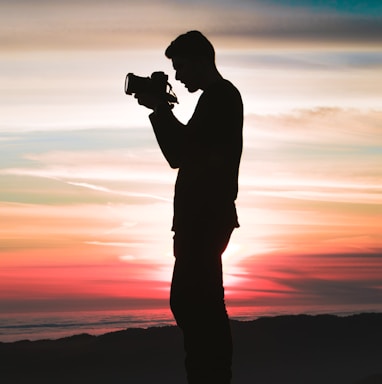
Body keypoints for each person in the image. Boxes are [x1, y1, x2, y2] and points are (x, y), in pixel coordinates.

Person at [133, 30, 243, 384]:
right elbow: (184, 152)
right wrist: (159, 111)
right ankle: (208, 374)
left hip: (204, 219)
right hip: (202, 218)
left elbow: (180, 154)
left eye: (181, 68)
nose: (178, 77)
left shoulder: (220, 97)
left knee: (197, 304)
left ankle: (210, 376)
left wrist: (160, 110)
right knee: (195, 302)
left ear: (200, 60)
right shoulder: (216, 99)